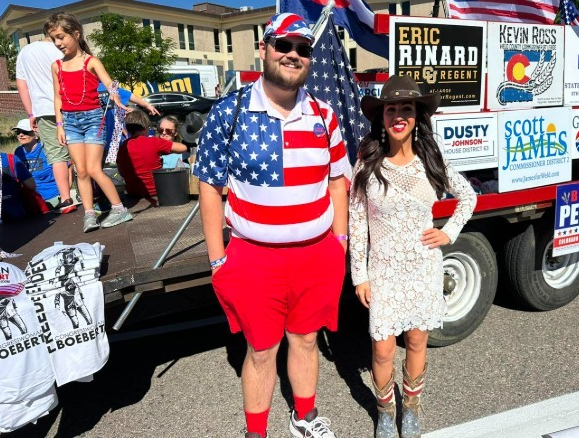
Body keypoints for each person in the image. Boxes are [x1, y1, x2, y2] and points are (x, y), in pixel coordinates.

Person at [193, 13, 350, 438]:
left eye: (302, 49)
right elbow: (209, 186)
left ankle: (305, 417)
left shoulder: (325, 114)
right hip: (253, 257)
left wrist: (340, 241)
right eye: (284, 45)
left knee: (306, 340)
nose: (293, 55)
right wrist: (217, 259)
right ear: (264, 48)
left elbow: (338, 180)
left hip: (317, 254)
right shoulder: (231, 111)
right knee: (261, 351)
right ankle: (256, 433)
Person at [349, 75, 477, 438]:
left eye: (407, 109)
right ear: (382, 117)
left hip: (423, 268)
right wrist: (360, 274)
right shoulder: (368, 165)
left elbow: (469, 198)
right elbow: (357, 221)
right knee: (383, 350)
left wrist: (448, 232)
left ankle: (413, 407)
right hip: (385, 273)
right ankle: (386, 412)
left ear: (417, 116)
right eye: (392, 109)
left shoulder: (430, 161)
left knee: (418, 341)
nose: (399, 116)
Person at [47, 11, 132, 232]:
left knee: (94, 169)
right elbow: (57, 97)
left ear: (76, 34)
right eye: (54, 38)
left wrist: (115, 97)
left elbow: (109, 84)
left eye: (61, 37)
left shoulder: (91, 61)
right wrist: (59, 126)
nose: (58, 43)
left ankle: (119, 209)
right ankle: (89, 214)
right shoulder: (57, 66)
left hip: (94, 119)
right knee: (80, 170)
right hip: (70, 121)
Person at [16, 33, 78, 213]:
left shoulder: (24, 52)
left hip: (43, 109)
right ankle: (89, 193)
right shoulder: (60, 49)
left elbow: (22, 85)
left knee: (56, 156)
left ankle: (66, 199)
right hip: (69, 104)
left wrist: (31, 113)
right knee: (80, 148)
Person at [117, 110, 187, 198]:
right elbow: (183, 148)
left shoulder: (123, 147)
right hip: (157, 191)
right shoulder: (154, 142)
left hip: (133, 193)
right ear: (146, 127)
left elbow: (121, 172)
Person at [12, 119, 63, 207]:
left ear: (36, 135)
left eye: (25, 132)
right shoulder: (18, 152)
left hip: (53, 197)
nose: (21, 135)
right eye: (18, 132)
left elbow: (67, 168)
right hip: (31, 199)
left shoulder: (47, 148)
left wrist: (64, 194)